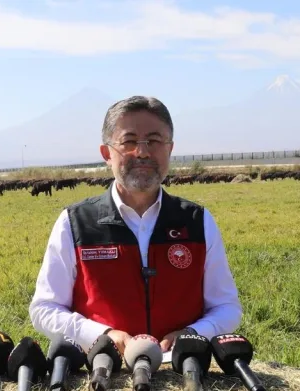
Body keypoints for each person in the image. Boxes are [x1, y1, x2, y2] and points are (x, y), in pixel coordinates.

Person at [29, 95, 242, 356]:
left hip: (184, 369)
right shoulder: (74, 223)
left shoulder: (198, 221)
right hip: (102, 372)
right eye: (129, 142)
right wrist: (101, 336)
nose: (142, 152)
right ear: (107, 153)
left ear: (170, 149)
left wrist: (194, 334)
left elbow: (227, 307)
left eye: (154, 140)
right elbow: (45, 309)